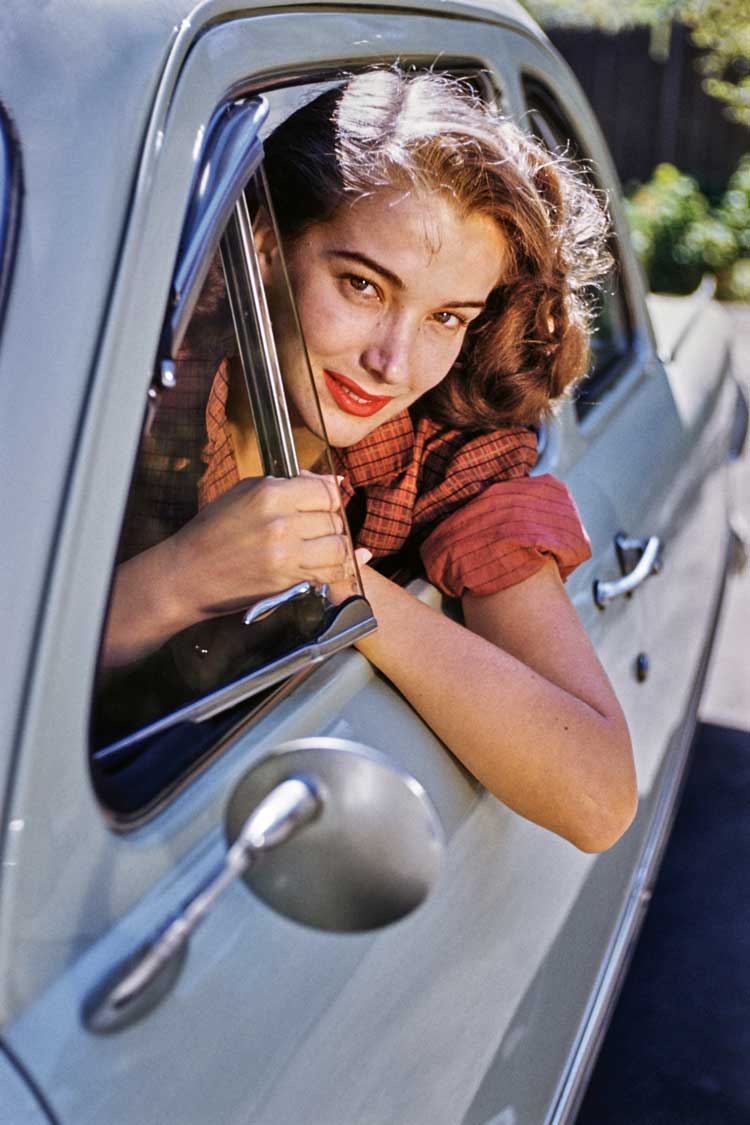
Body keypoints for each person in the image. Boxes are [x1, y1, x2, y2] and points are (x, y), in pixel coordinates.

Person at [103, 68, 637, 851]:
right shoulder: (129, 396)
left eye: (447, 317)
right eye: (362, 285)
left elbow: (596, 796)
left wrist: (347, 590)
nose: (394, 362)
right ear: (263, 248)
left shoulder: (446, 453)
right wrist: (184, 577)